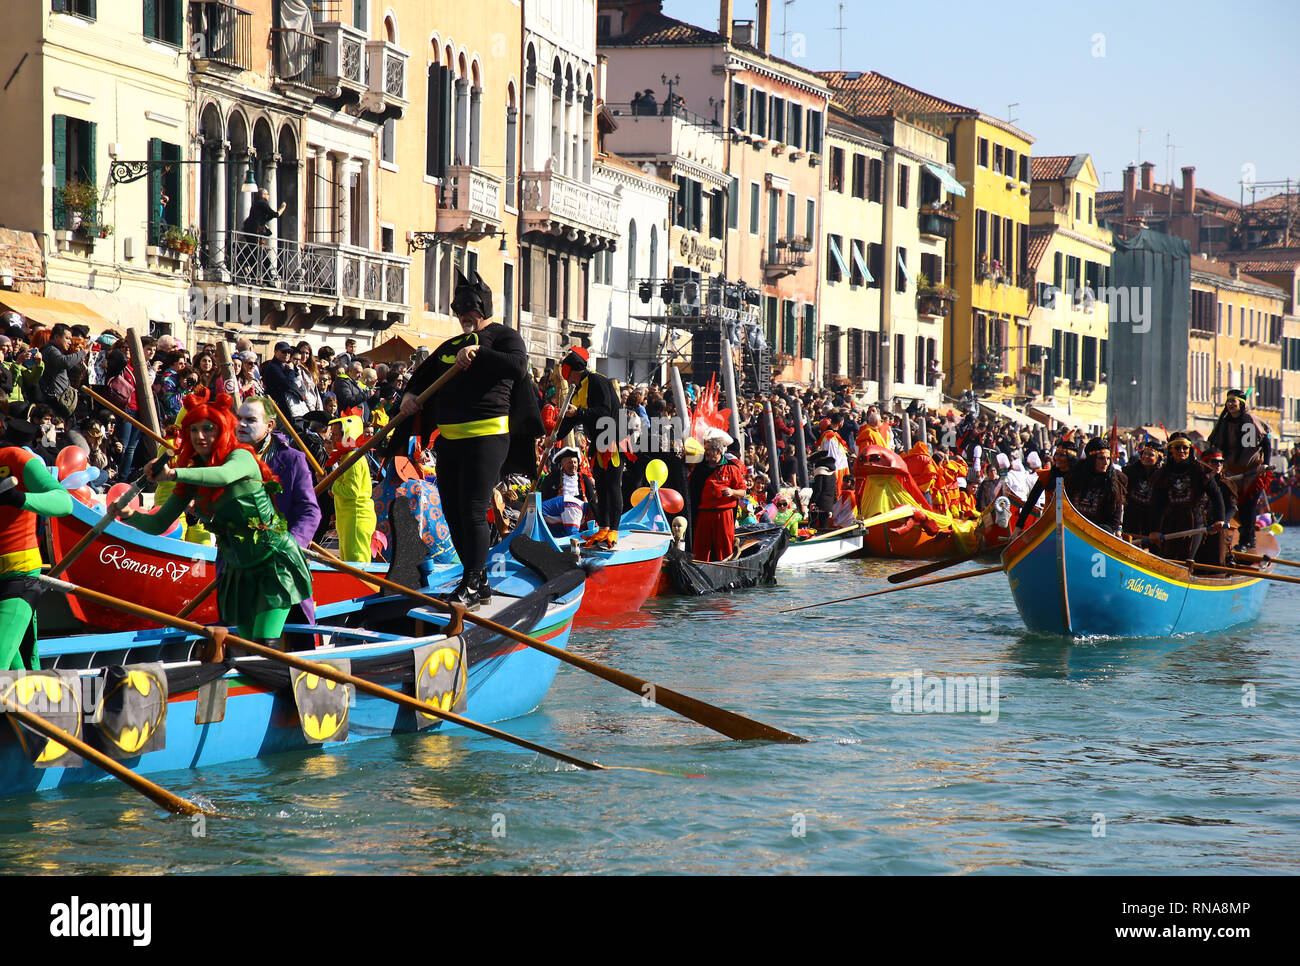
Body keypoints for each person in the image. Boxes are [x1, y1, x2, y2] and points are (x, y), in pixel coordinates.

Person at [122, 392, 313, 645]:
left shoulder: (242, 456)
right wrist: (127, 515)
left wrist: (174, 474)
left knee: (264, 646)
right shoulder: (193, 475)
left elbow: (223, 476)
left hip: (273, 565)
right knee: (244, 647)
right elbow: (158, 523)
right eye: (194, 430)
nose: (200, 436)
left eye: (208, 429)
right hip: (236, 570)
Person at [396, 271, 530, 608]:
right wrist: (409, 396)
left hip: (487, 437)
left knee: (472, 508)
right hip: (450, 441)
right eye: (458, 311)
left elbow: (518, 368)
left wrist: (480, 353)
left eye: (469, 310)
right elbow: (421, 376)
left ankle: (470, 581)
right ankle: (479, 578)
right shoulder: (450, 346)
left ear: (482, 308)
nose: (463, 316)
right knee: (452, 510)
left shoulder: (504, 337)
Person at [0, 416, 74, 670]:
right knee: (15, 671)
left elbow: (64, 502)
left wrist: (18, 498)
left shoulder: (17, 459)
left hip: (17, 577)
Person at [556, 345, 625, 550]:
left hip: (612, 439)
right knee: (601, 486)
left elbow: (603, 410)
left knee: (612, 485)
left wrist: (579, 411)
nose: (566, 378)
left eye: (567, 373)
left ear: (572, 370)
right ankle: (603, 526)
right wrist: (554, 437)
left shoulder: (597, 381)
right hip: (597, 441)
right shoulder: (576, 389)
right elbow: (572, 418)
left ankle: (614, 528)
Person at [1206, 389, 1270, 551]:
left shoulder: (1250, 420)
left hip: (1253, 473)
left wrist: (1266, 464)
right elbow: (1215, 445)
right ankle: (1242, 538)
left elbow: (1266, 442)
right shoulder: (1224, 422)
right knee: (1235, 507)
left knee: (1248, 506)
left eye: (1233, 401)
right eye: (1228, 401)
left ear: (1241, 404)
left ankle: (1246, 541)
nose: (1230, 404)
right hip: (1231, 474)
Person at [1147, 432, 1224, 563]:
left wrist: (1219, 519)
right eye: (1177, 447)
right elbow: (1156, 504)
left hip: (1194, 523)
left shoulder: (1201, 470)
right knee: (1168, 561)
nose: (1181, 451)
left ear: (1190, 449)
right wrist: (1154, 530)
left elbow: (1216, 495)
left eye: (1185, 448)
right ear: (1171, 450)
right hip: (1170, 523)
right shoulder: (1162, 474)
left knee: (1186, 560)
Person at [324, 407, 376, 564]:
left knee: (357, 564)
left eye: (335, 434)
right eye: (331, 434)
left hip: (356, 518)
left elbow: (351, 492)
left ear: (347, 435)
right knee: (348, 564)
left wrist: (330, 484)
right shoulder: (347, 457)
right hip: (348, 519)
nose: (331, 437)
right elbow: (340, 491)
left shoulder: (352, 459)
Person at [687, 433, 747, 561]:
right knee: (700, 550)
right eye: (706, 449)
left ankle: (725, 572)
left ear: (718, 451)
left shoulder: (731, 468)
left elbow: (743, 492)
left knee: (724, 549)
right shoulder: (700, 469)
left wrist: (732, 492)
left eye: (709, 449)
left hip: (723, 514)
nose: (706, 452)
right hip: (704, 514)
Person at [1065, 438, 1126, 534]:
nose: (1106, 462)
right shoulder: (1074, 478)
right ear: (1091, 459)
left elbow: (1114, 519)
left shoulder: (1113, 482)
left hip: (1099, 533)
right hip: (1073, 528)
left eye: (1108, 458)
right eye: (1101, 458)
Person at [539, 445, 596, 539]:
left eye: (575, 462)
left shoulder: (584, 478)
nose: (573, 465)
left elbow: (591, 501)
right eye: (569, 462)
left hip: (580, 516)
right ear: (562, 464)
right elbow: (544, 499)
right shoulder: (552, 478)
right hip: (556, 516)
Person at [1195, 449, 1237, 567]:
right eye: (1214, 461)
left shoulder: (1226, 484)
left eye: (1221, 462)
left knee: (1216, 557)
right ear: (1205, 463)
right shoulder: (1197, 480)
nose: (1218, 465)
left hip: (1217, 525)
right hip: (1198, 524)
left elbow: (1232, 507)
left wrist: (1222, 522)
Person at [37, 323, 88, 419]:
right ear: (56, 337)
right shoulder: (51, 350)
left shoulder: (56, 350)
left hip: (59, 401)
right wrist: (84, 352)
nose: (70, 342)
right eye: (67, 338)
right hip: (53, 402)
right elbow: (65, 362)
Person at [1122, 439, 1163, 540]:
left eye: (1151, 455)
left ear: (1158, 458)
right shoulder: (1129, 472)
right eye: (1144, 454)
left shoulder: (1162, 476)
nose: (1146, 457)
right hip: (1131, 517)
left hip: (1151, 520)